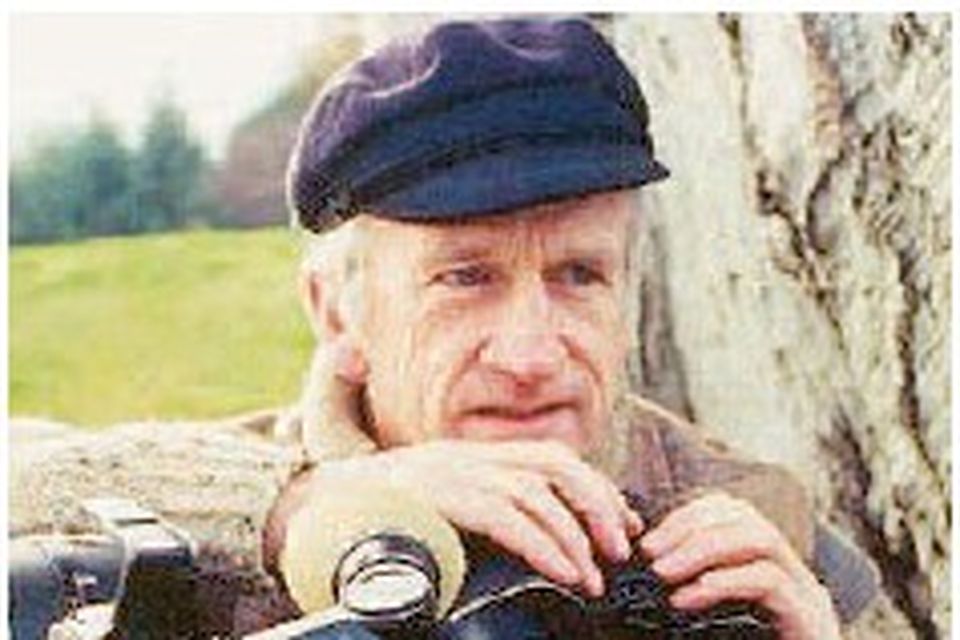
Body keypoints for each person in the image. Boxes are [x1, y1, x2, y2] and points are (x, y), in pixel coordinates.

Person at [263, 17, 876, 638]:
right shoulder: (224, 520)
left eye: (580, 275)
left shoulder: (760, 526)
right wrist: (313, 505)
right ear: (337, 313)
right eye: (466, 278)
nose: (530, 357)